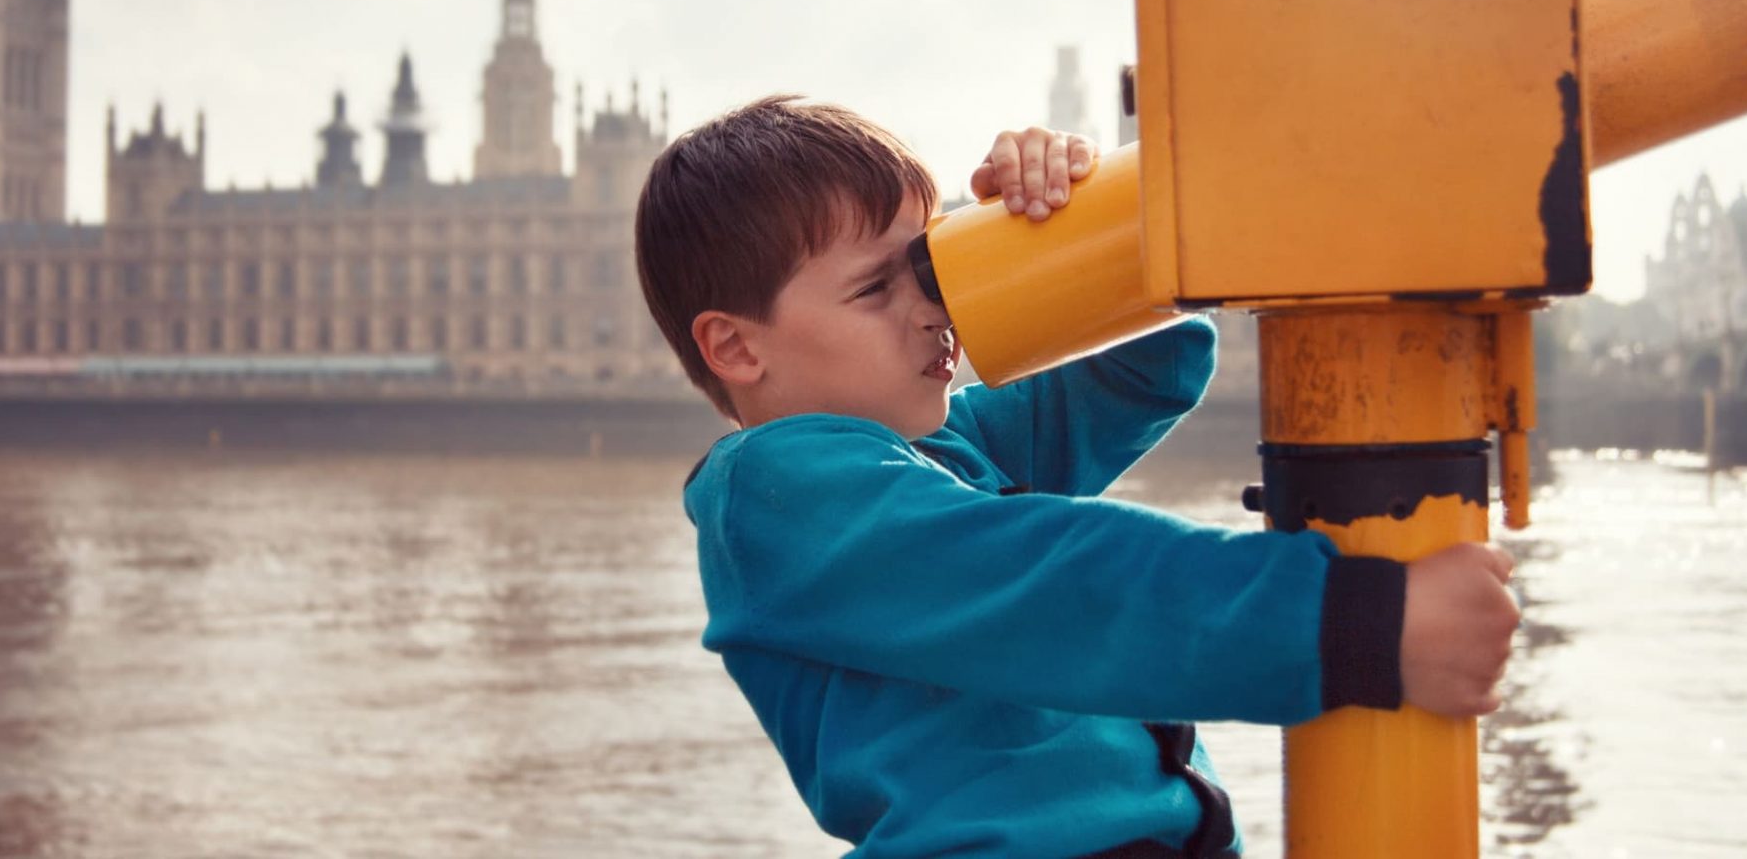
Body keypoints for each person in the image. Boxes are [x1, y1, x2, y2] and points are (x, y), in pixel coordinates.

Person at [634, 95, 1519, 857]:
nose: (933, 311)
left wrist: (1072, 227)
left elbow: (1148, 363)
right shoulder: (780, 499)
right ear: (736, 347)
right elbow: (1056, 581)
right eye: (877, 290)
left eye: (930, 266)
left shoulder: (944, 451)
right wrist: (1355, 622)